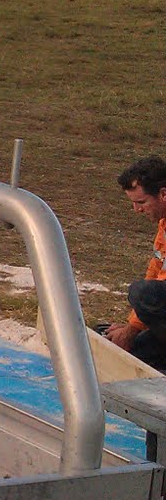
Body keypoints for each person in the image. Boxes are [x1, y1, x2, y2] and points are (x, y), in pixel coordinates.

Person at [104, 157, 166, 370]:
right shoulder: (164, 225)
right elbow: (156, 269)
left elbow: (155, 293)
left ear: (163, 194)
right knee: (131, 351)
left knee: (142, 293)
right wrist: (132, 327)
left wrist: (131, 330)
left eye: (141, 202)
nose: (136, 210)